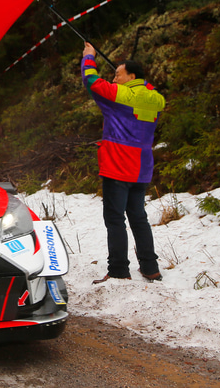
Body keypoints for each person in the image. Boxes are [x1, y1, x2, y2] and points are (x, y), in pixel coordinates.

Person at [81, 42, 166, 283]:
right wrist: (137, 82)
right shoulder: (156, 99)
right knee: (139, 218)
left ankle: (118, 270)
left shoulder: (119, 95)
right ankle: (150, 268)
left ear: (131, 76)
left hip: (118, 165)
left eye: (118, 75)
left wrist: (89, 57)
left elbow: (91, 81)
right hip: (141, 168)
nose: (114, 79)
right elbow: (147, 87)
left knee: (115, 220)